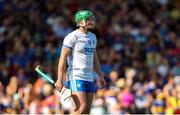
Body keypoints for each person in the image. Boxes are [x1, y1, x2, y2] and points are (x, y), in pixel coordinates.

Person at [54, 10, 106, 114]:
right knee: (81, 107)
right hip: (76, 76)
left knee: (86, 111)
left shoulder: (93, 37)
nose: (91, 21)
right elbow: (62, 58)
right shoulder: (72, 37)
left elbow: (95, 58)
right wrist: (59, 79)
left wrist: (100, 76)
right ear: (80, 22)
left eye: (91, 19)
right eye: (88, 19)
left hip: (89, 76)